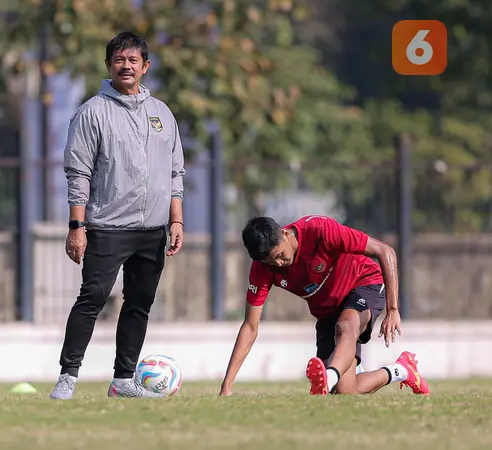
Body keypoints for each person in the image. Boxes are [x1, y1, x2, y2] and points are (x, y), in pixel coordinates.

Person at [49, 31, 186, 400]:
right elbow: (78, 172)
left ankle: (123, 380)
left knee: (139, 304)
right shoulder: (92, 111)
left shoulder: (162, 113)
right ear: (108, 65)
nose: (126, 66)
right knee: (91, 298)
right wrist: (77, 226)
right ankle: (68, 377)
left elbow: (175, 172)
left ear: (145, 66)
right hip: (107, 226)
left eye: (133, 60)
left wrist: (176, 220)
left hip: (153, 229)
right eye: (119, 60)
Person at [219, 215, 430, 396]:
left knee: (346, 326)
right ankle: (402, 370)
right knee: (347, 390)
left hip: (364, 282)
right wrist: (226, 386)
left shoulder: (320, 230)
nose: (279, 265)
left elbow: (385, 251)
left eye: (280, 256)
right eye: (270, 262)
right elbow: (250, 327)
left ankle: (328, 378)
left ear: (284, 233)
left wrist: (393, 309)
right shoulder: (262, 269)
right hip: (328, 310)